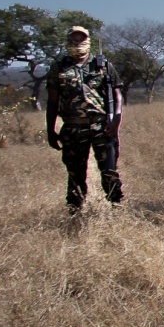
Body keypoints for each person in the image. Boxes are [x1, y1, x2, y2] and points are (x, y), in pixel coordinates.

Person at [45, 25, 125, 212]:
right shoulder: (59, 68)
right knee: (75, 174)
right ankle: (75, 212)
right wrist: (51, 130)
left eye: (81, 39)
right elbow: (52, 101)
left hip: (101, 128)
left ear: (88, 41)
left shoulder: (102, 65)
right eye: (73, 39)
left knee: (109, 171)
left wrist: (115, 122)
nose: (77, 43)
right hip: (73, 129)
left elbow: (116, 94)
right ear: (68, 42)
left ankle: (117, 208)